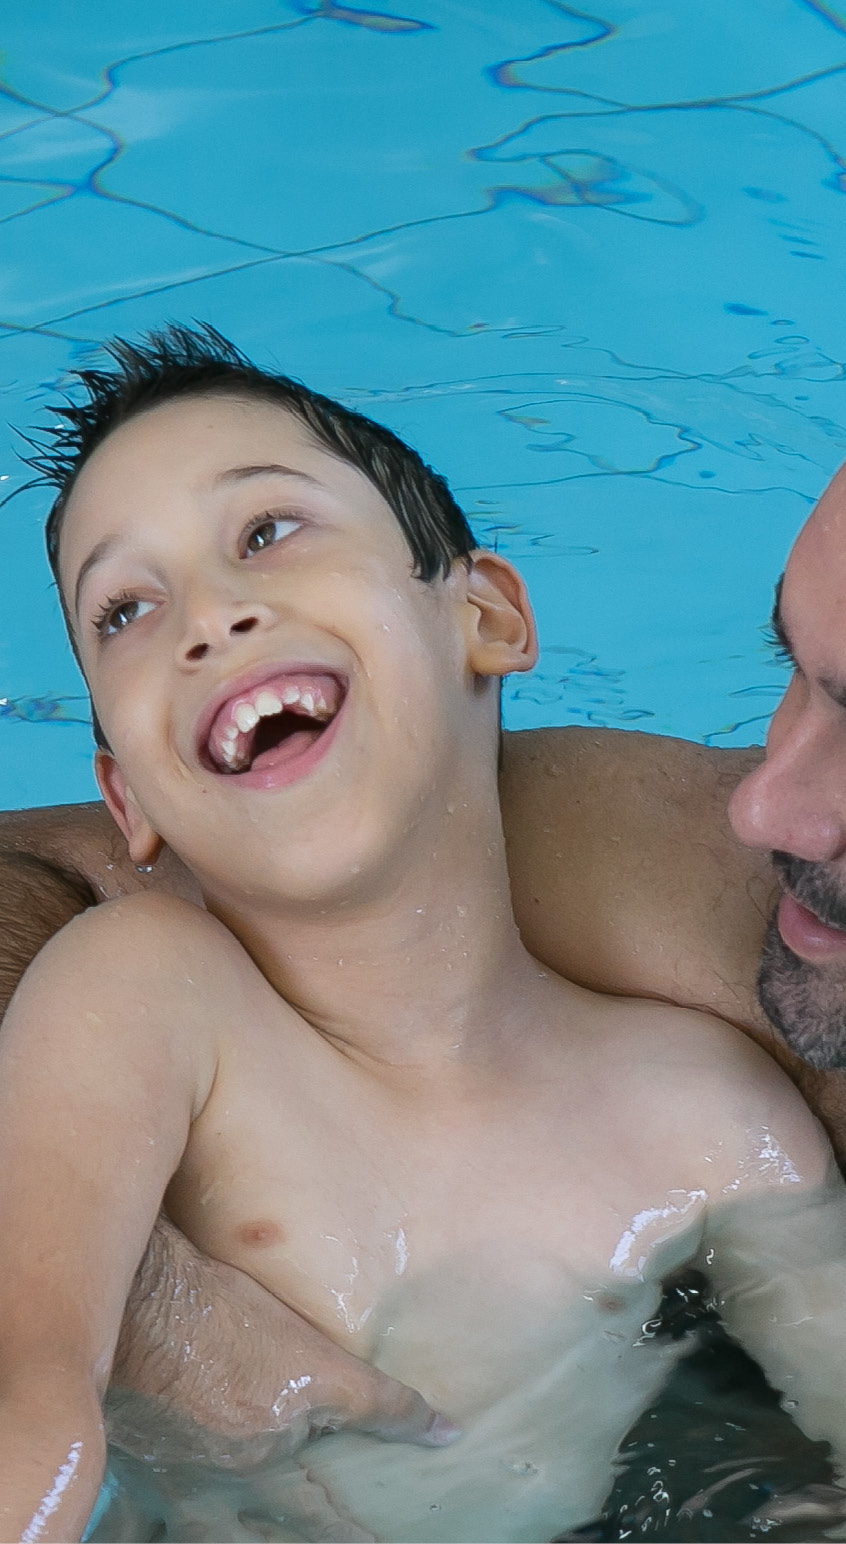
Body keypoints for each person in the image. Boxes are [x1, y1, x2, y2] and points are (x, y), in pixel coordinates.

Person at [4, 325, 846, 1544]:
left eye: (265, 532)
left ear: (488, 619)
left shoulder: (713, 1116)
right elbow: (28, 1394)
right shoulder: (146, 1002)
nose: (209, 616)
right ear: (125, 797)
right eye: (124, 609)